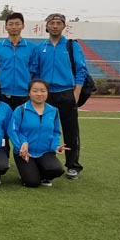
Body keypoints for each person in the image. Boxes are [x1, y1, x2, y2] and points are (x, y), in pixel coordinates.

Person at [35, 13, 87, 180]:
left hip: (66, 92)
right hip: (45, 94)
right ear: (47, 26)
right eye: (52, 23)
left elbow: (81, 70)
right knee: (44, 129)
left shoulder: (72, 46)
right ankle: (46, 163)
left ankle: (73, 165)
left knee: (70, 130)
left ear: (64, 26)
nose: (55, 26)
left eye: (58, 23)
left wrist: (76, 93)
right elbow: (35, 71)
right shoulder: (40, 47)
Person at [9, 79, 68, 187]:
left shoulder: (53, 111)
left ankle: (41, 174)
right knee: (32, 182)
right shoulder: (20, 110)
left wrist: (56, 146)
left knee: (57, 169)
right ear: (29, 93)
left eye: (43, 91)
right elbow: (13, 131)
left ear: (47, 92)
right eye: (35, 91)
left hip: (45, 151)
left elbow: (56, 132)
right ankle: (28, 173)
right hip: (24, 153)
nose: (39, 94)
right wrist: (21, 145)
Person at [0, 12, 38, 110]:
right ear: (6, 27)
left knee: (23, 119)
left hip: (24, 93)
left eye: (17, 24)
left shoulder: (31, 48)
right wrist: (2, 82)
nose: (14, 27)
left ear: (23, 26)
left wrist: (25, 81)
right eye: (10, 24)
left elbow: (33, 69)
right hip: (3, 93)